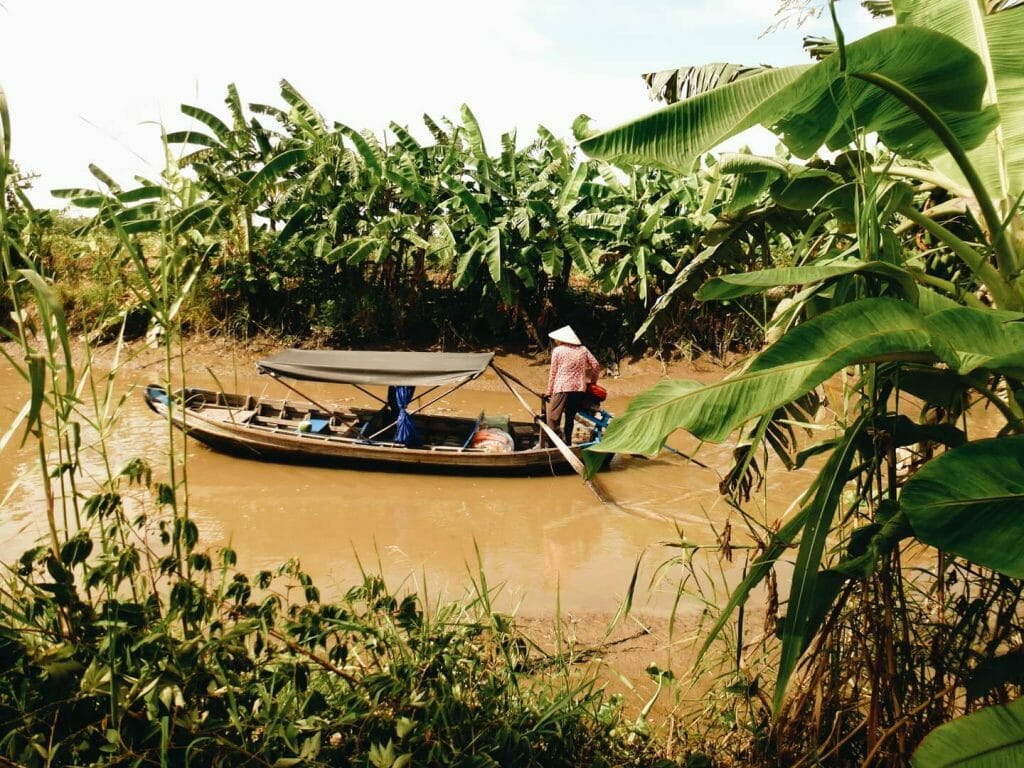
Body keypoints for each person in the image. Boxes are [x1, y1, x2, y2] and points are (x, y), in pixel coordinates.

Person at [544, 325, 600, 445]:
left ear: (561, 339)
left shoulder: (558, 351)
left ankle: (553, 445)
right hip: (579, 389)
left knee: (552, 418)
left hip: (562, 388)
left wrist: (549, 391)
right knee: (570, 417)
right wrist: (593, 382)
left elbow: (553, 372)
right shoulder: (583, 350)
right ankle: (568, 443)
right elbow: (596, 365)